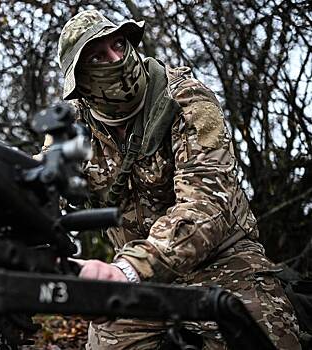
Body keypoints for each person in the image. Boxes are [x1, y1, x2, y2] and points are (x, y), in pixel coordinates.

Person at [56, 9, 301, 350]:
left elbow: (206, 205)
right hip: (133, 280)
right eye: (98, 56)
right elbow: (41, 190)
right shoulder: (70, 127)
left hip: (223, 262)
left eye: (120, 45)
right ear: (80, 82)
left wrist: (128, 269)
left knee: (270, 340)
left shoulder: (185, 99)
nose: (117, 59)